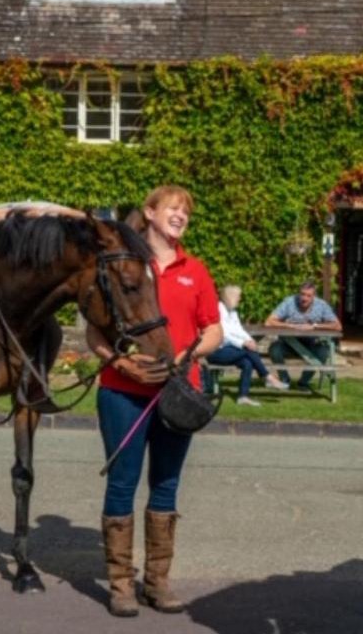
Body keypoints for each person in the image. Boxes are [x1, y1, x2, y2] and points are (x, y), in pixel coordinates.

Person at [86, 185, 223, 618]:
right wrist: (119, 363)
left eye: (186, 211)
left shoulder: (194, 270)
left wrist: (187, 355)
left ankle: (158, 582)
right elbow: (94, 330)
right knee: (122, 482)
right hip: (123, 391)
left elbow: (214, 330)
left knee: (166, 484)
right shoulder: (124, 264)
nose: (181, 216)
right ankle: (121, 584)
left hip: (178, 392)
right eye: (173, 208)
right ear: (148, 213)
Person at [207, 284, 289, 406]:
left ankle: (242, 397)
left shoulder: (233, 311)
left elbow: (239, 329)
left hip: (229, 350)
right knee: (248, 350)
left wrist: (250, 340)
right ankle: (268, 376)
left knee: (248, 363)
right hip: (215, 352)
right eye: (239, 296)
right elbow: (224, 334)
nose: (240, 299)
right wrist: (243, 343)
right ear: (231, 296)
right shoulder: (219, 309)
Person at [264, 279, 342, 390]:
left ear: (314, 296)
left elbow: (338, 326)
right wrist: (291, 326)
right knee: (274, 349)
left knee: (323, 353)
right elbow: (268, 321)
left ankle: (303, 382)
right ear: (298, 293)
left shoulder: (321, 305)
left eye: (308, 296)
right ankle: (285, 380)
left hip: (311, 344)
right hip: (289, 343)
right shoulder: (289, 302)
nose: (304, 298)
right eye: (302, 294)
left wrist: (315, 326)